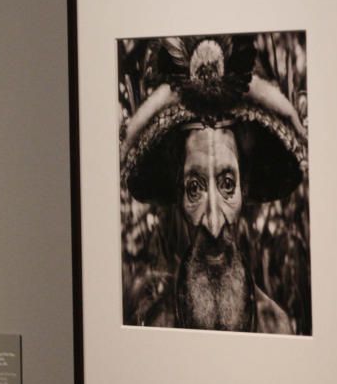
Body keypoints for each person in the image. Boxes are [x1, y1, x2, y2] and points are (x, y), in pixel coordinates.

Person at [120, 36, 308, 333]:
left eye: (228, 184)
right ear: (178, 194)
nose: (213, 222)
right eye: (194, 188)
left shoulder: (277, 326)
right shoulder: (154, 325)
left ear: (245, 188)